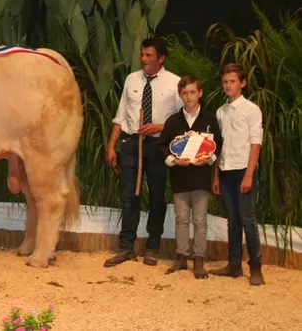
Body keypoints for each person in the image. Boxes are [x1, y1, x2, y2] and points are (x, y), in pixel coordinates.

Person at [104, 37, 182, 267]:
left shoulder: (174, 83)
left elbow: (182, 120)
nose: (144, 59)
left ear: (161, 58)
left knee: (157, 196)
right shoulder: (132, 79)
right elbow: (120, 115)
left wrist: (161, 127)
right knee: (129, 196)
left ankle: (152, 247)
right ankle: (127, 247)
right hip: (130, 143)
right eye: (142, 55)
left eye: (149, 55)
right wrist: (111, 146)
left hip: (158, 145)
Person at [156, 76, 223, 279]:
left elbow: (218, 144)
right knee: (181, 219)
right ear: (180, 95)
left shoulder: (210, 120)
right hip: (180, 177)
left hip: (202, 177)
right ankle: (181, 257)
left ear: (200, 93)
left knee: (200, 221)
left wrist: (209, 159)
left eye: (192, 92)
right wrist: (174, 161)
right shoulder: (173, 121)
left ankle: (199, 260)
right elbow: (162, 145)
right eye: (185, 93)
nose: (189, 96)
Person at [209, 63, 265, 285]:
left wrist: (249, 174)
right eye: (225, 81)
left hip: (244, 169)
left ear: (242, 83)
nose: (228, 85)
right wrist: (216, 176)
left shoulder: (251, 110)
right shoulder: (220, 112)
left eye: (232, 81)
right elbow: (218, 146)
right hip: (226, 170)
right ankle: (234, 264)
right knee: (232, 220)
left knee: (247, 219)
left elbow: (255, 143)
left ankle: (256, 267)